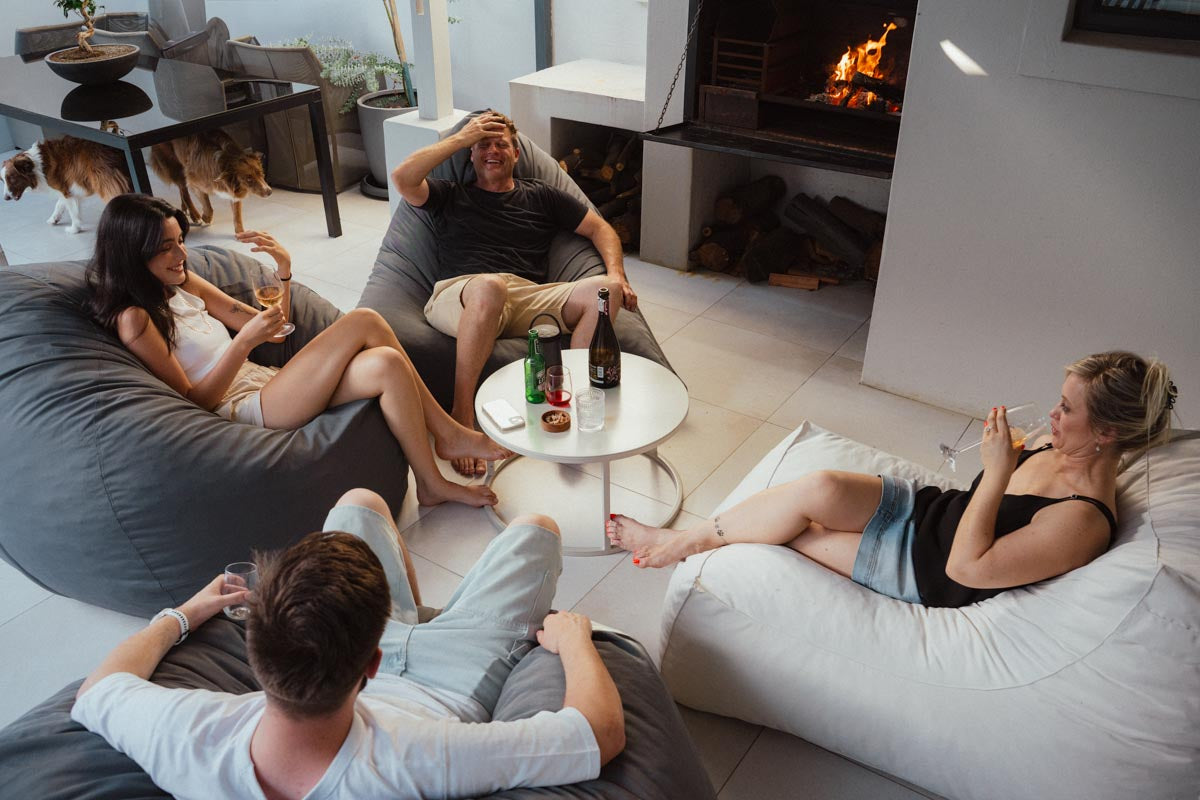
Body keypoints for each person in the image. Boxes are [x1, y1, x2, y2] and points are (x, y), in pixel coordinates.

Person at [72, 489, 626, 799]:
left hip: (348, 660)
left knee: (358, 504)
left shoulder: (191, 736)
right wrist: (576, 641)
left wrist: (182, 615)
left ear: (254, 648)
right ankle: (411, 614)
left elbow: (98, 690)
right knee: (536, 526)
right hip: (451, 686)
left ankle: (405, 610)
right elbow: (600, 734)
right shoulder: (419, 758)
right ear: (374, 663)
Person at [607, 351, 1178, 608]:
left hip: (924, 568)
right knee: (820, 487)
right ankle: (691, 538)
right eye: (1058, 400)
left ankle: (676, 543)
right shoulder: (1058, 441)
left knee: (791, 532)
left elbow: (966, 568)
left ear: (1106, 433)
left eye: (1067, 409)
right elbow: (973, 496)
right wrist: (994, 465)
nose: (1053, 415)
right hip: (928, 511)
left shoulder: (1081, 520)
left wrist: (1000, 474)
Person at [85, 193, 509, 508]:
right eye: (167, 247)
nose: (182, 255)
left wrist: (283, 275)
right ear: (133, 251)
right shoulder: (135, 319)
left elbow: (274, 332)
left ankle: (430, 483)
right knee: (366, 320)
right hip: (241, 407)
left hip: (266, 384)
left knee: (387, 363)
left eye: (181, 240)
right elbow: (194, 401)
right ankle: (450, 433)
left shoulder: (184, 282)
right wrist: (244, 342)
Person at [392, 110, 639, 477]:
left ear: (516, 153)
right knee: (490, 287)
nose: (492, 150)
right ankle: (461, 419)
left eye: (501, 144)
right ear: (471, 157)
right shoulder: (449, 194)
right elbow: (402, 177)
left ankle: (563, 405)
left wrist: (618, 274)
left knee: (608, 290)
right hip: (461, 294)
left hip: (525, 296)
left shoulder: (542, 196)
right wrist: (462, 137)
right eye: (483, 146)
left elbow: (601, 229)